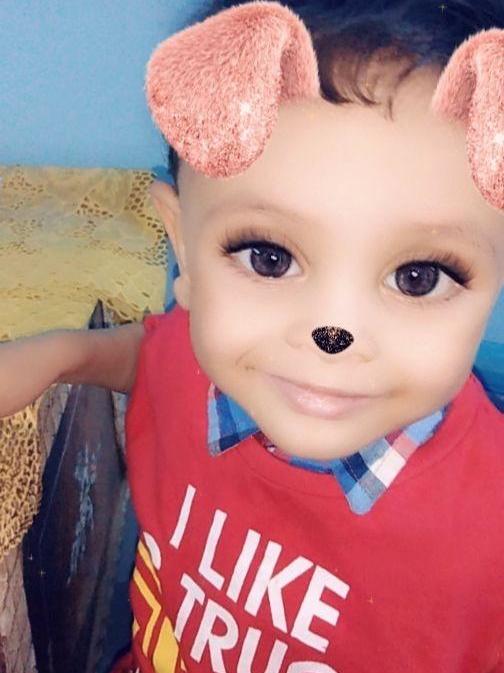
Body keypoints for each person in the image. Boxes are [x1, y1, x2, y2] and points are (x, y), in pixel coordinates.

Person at [1, 1, 504, 671]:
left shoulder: (490, 534)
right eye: (268, 258)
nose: (334, 333)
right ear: (183, 247)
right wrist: (59, 355)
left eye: (418, 277)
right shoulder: (199, 362)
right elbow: (157, 358)